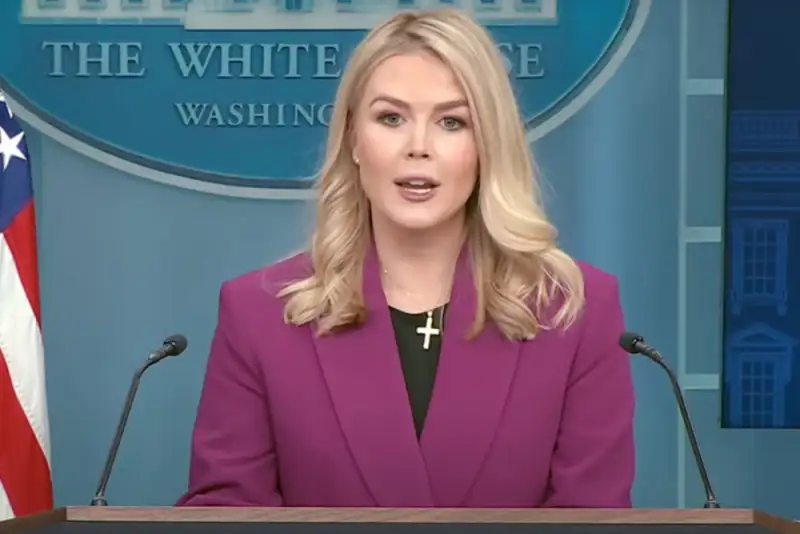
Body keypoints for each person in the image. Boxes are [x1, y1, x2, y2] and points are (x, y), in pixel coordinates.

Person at [176, 7, 635, 509]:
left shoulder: (573, 312)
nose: (418, 147)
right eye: (391, 118)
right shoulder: (259, 315)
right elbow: (227, 511)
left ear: (488, 145)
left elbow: (591, 513)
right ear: (353, 138)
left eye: (451, 122)